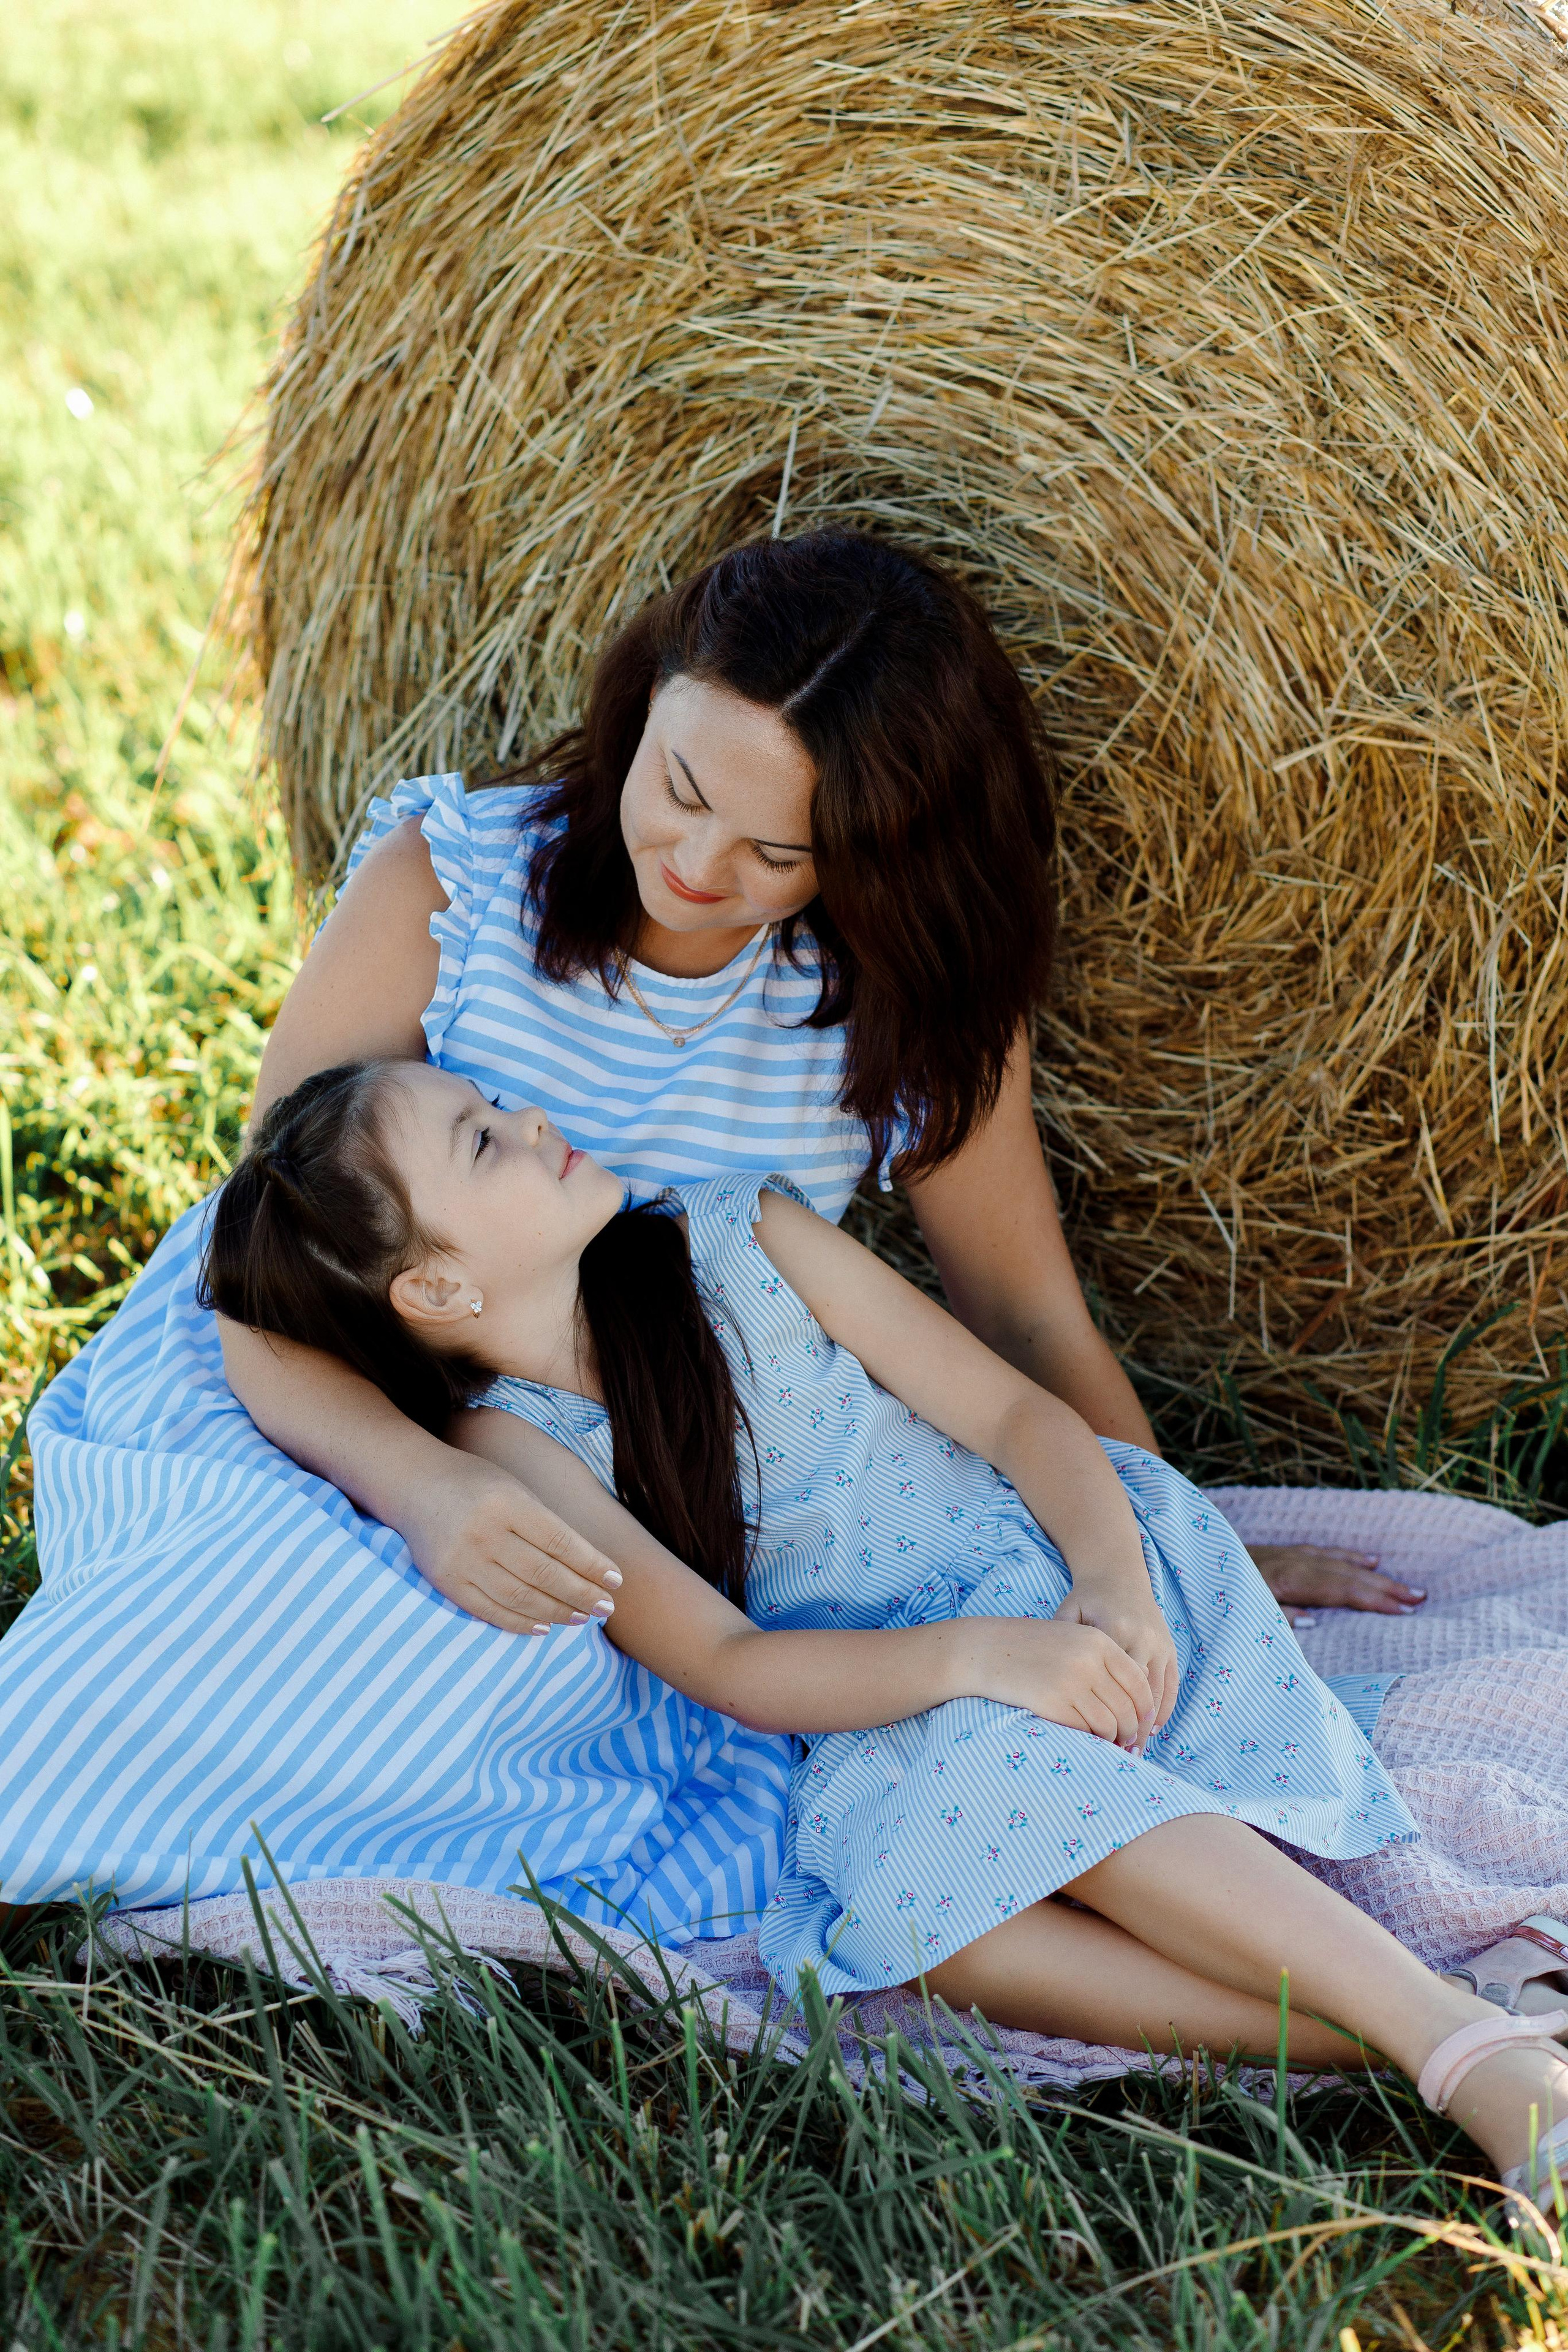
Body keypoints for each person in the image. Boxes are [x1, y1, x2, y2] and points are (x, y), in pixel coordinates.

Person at [188, 1054, 1568, 2212]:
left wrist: (1112, 1589)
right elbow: (729, 1663)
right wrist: (975, 1664)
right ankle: (1432, 2018)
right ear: (431, 1292)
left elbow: (1021, 1420)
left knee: (1004, 1787)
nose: (533, 1120)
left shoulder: (740, 1241)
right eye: (483, 1140)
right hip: (898, 1691)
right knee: (933, 1939)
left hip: (1068, 1565)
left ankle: (1460, 2054)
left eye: (501, 1105)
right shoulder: (519, 1449)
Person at [221, 529, 1404, 1632]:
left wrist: (1174, 1554)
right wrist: (428, 1490)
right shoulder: (455, 883)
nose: (692, 864)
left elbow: (1026, 1317)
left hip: (680, 1529)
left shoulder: (901, 1003)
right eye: (680, 788)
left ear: (871, 853)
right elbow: (261, 1250)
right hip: (344, 1417)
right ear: (642, 707)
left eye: (775, 852)